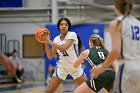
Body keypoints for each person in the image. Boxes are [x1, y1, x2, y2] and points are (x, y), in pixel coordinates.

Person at [90, 0, 140, 93]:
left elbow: (116, 50)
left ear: (116, 7)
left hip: (127, 68)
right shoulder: (138, 23)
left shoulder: (116, 23)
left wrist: (102, 67)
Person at [41, 17, 87, 93]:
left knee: (87, 91)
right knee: (48, 91)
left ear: (68, 27)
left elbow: (64, 48)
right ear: (59, 27)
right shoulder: (56, 39)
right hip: (62, 67)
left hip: (75, 66)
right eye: (61, 24)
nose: (64, 26)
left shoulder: (72, 34)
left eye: (66, 24)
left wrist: (49, 41)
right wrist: (45, 43)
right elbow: (50, 56)